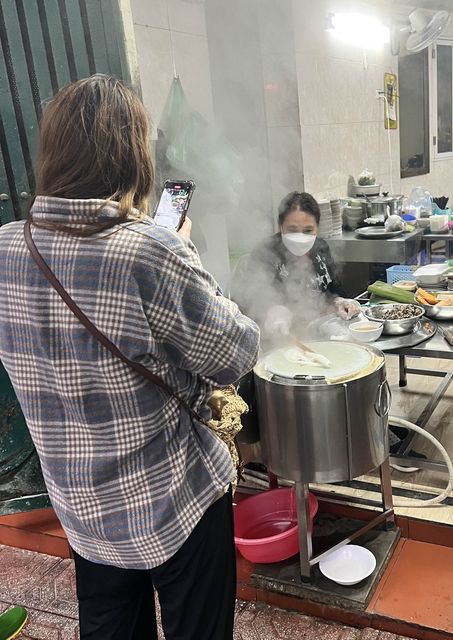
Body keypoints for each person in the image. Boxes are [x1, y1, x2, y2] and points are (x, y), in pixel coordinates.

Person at [0, 75, 260, 640]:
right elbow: (235, 353)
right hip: (173, 502)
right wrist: (181, 249)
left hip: (80, 508)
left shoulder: (5, 247)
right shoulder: (150, 249)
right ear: (131, 156)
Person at [236, 191, 360, 337]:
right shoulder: (265, 252)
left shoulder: (321, 248)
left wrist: (340, 302)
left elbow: (335, 289)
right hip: (283, 338)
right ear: (281, 227)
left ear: (317, 229)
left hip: (322, 333)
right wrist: (272, 311)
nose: (300, 237)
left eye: (308, 230)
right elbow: (250, 299)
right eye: (292, 230)